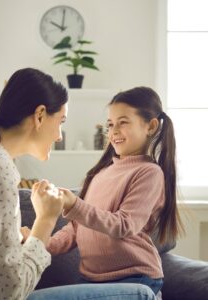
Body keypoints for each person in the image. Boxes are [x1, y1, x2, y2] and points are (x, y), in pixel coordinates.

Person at [0, 68, 156, 300]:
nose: (59, 135)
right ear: (40, 115)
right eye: (60, 121)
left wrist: (29, 238)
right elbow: (12, 288)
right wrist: (45, 220)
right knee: (142, 295)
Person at [44, 86, 184, 297]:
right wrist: (41, 242)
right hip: (91, 279)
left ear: (151, 126)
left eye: (123, 122)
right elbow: (76, 227)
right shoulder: (101, 173)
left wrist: (75, 205)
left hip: (134, 277)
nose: (114, 131)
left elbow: (125, 225)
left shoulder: (149, 172)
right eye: (110, 124)